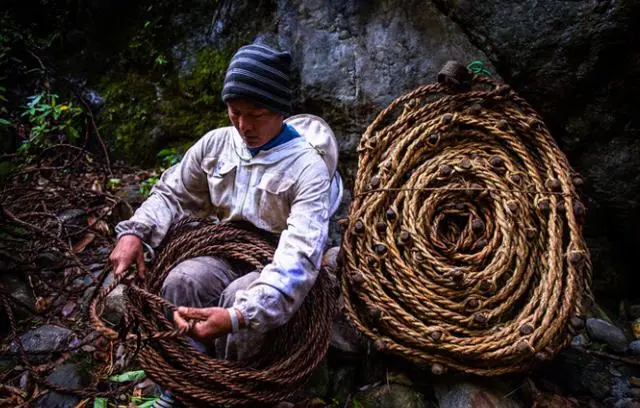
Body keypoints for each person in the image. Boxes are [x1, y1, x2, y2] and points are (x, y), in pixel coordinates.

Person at [108, 43, 342, 407]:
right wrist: (136, 232)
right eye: (235, 113)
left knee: (239, 299)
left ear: (280, 110)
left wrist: (237, 315)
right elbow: (172, 192)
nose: (244, 126)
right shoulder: (217, 145)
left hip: (275, 260)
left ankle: (230, 390)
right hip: (226, 249)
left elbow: (298, 258)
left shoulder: (307, 169)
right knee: (183, 280)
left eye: (257, 114)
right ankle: (185, 386)